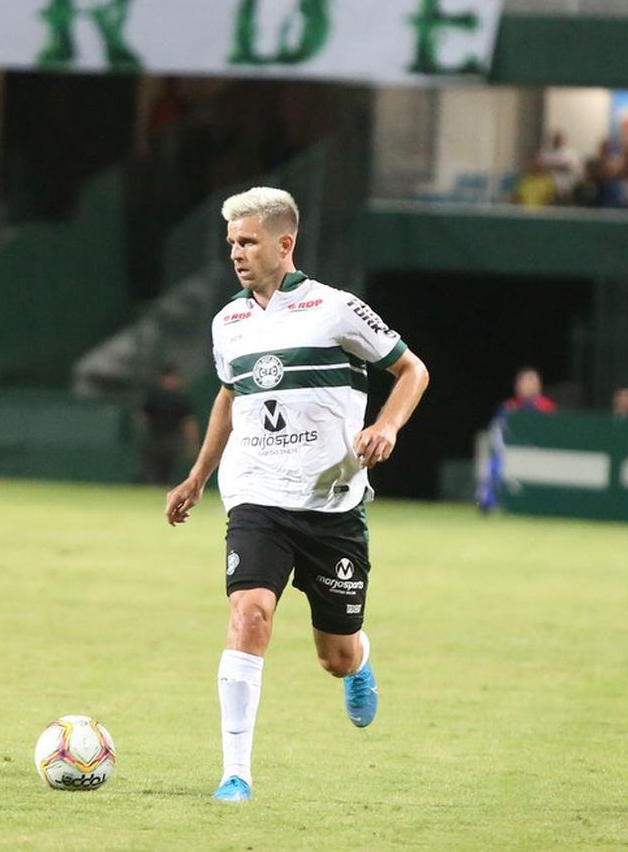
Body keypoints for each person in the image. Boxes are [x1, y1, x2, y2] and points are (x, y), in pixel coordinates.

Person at [164, 187, 429, 803]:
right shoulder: (226, 322)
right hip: (255, 497)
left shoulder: (335, 309)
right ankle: (236, 773)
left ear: (285, 244)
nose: (236, 253)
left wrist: (386, 425)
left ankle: (359, 661)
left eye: (248, 241)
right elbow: (231, 395)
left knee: (332, 656)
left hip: (332, 507)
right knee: (248, 614)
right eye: (231, 242)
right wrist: (199, 476)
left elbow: (412, 369)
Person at [477, 367, 557, 511]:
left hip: (539, 453)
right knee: (492, 466)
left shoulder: (547, 407)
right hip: (511, 452)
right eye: (523, 381)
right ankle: (489, 504)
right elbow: (496, 431)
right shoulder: (509, 407)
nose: (526, 385)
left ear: (538, 386)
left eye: (530, 381)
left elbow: (554, 435)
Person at [138, 366, 198, 486]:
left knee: (169, 471)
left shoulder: (180, 399)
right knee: (152, 470)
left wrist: (191, 443)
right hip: (155, 438)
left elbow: (188, 422)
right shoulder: (154, 396)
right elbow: (143, 416)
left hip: (172, 439)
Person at [537, 131, 580, 202]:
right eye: (554, 139)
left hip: (565, 187)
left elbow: (570, 167)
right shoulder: (545, 153)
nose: (556, 141)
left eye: (558, 139)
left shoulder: (570, 154)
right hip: (547, 187)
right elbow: (540, 166)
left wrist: (553, 166)